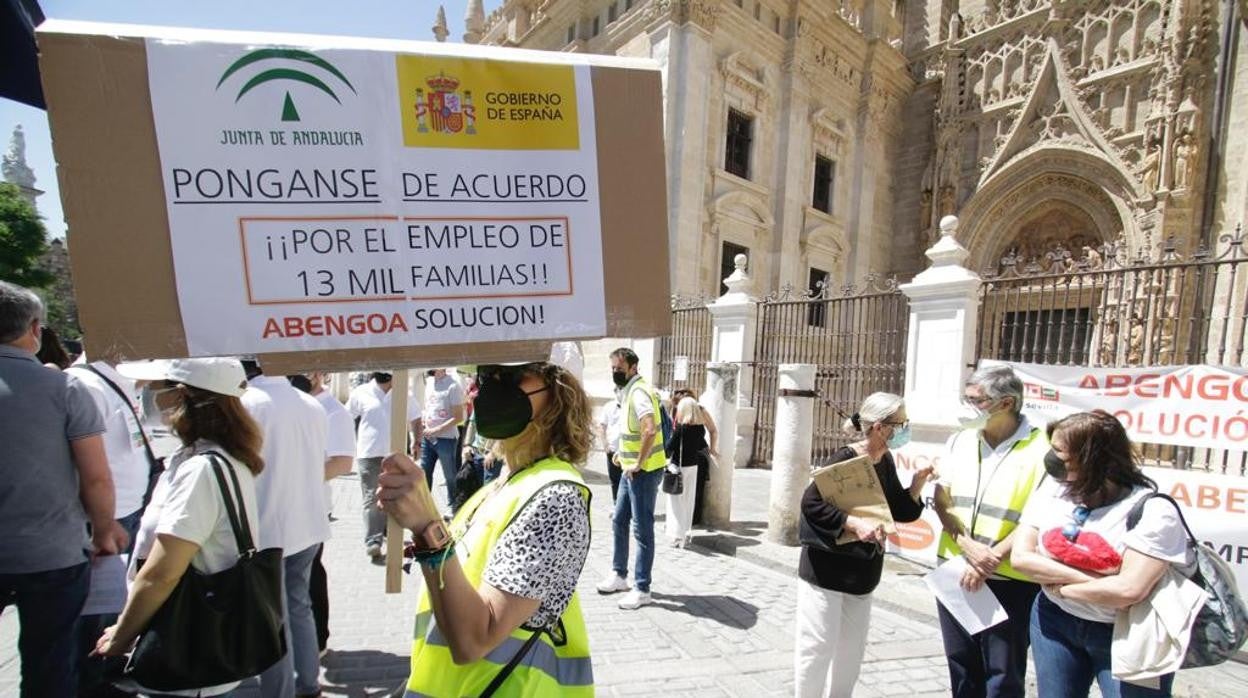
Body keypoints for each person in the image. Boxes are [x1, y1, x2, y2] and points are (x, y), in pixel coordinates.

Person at [378, 361, 594, 696]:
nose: (492, 385)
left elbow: (475, 639)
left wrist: (427, 526)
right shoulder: (502, 483)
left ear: (558, 392)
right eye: (486, 375)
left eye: (513, 376)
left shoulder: (555, 497)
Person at [99, 357, 263, 697]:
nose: (151, 396)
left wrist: (122, 635)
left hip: (187, 649)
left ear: (182, 397)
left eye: (160, 389)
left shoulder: (202, 469)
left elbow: (162, 572)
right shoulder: (210, 458)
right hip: (192, 647)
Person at [0, 281, 127, 698]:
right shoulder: (65, 389)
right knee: (50, 662)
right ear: (34, 329)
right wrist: (105, 529)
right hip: (53, 553)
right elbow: (95, 476)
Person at [1012, 411, 1192, 697]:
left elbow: (1128, 590)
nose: (1051, 458)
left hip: (1128, 631)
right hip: (1054, 619)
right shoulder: (1053, 489)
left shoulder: (1153, 510)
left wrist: (1061, 587)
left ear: (1092, 458)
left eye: (1059, 451)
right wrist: (1087, 580)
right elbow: (1021, 558)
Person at [794, 392, 933, 697]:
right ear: (881, 427)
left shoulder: (885, 460)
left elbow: (898, 510)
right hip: (827, 570)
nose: (905, 428)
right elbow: (810, 502)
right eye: (901, 423)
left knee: (851, 654)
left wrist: (919, 483)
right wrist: (854, 523)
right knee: (817, 647)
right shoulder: (846, 458)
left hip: (863, 572)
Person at [933, 365, 1049, 698]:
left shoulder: (1042, 448)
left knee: (1003, 674)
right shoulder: (961, 440)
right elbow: (943, 498)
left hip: (1009, 578)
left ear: (1007, 403)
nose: (966, 406)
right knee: (962, 666)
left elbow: (1040, 515)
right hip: (956, 570)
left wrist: (992, 557)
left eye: (976, 400)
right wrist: (967, 547)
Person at [240, 360, 330, 698]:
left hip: (268, 525)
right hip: (307, 521)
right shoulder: (310, 404)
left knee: (272, 617)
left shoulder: (247, 404)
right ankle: (308, 683)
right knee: (298, 604)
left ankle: (279, 691)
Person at [68, 353, 157, 696]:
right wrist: (101, 522)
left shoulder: (120, 383)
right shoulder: (86, 385)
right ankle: (91, 680)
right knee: (95, 608)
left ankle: (105, 668)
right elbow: (85, 465)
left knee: (112, 603)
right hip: (105, 518)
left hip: (125, 510)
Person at [596, 347, 666, 610]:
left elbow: (649, 429)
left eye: (619, 368)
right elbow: (632, 432)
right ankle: (619, 575)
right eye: (613, 368)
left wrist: (637, 462)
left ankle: (642, 587)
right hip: (631, 469)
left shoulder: (638, 393)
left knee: (642, 528)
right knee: (619, 519)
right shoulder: (629, 391)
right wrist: (624, 458)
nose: (615, 373)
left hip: (644, 472)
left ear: (633, 367)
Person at [295, 371, 355, 655]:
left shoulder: (333, 411)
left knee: (308, 576)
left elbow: (342, 463)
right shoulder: (293, 402)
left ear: (323, 374)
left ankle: (317, 639)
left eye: (311, 369)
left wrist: (293, 481)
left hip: (311, 505)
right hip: (285, 506)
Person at [347, 371, 422, 560]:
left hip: (396, 455)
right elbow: (347, 416)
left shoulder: (404, 393)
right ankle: (373, 540)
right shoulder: (361, 392)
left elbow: (416, 418)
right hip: (369, 454)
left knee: (395, 497)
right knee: (371, 498)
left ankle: (390, 532)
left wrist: (417, 441)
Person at [663, 396, 715, 547]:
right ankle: (686, 533)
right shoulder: (700, 429)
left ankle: (677, 536)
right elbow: (700, 446)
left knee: (675, 502)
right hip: (693, 467)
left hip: (678, 468)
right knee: (688, 500)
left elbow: (669, 448)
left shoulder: (681, 429)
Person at [420, 368, 466, 509]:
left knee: (450, 475)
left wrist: (437, 429)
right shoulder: (428, 382)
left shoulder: (453, 385)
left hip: (446, 438)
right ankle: (424, 507)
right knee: (424, 473)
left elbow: (458, 417)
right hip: (428, 437)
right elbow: (427, 406)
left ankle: (453, 506)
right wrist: (424, 420)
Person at [599, 392, 622, 503]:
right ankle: (616, 503)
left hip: (628, 451)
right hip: (612, 450)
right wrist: (605, 445)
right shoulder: (608, 407)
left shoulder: (631, 405)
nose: (620, 392)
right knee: (615, 480)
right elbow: (602, 426)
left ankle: (627, 507)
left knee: (628, 480)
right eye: (618, 389)